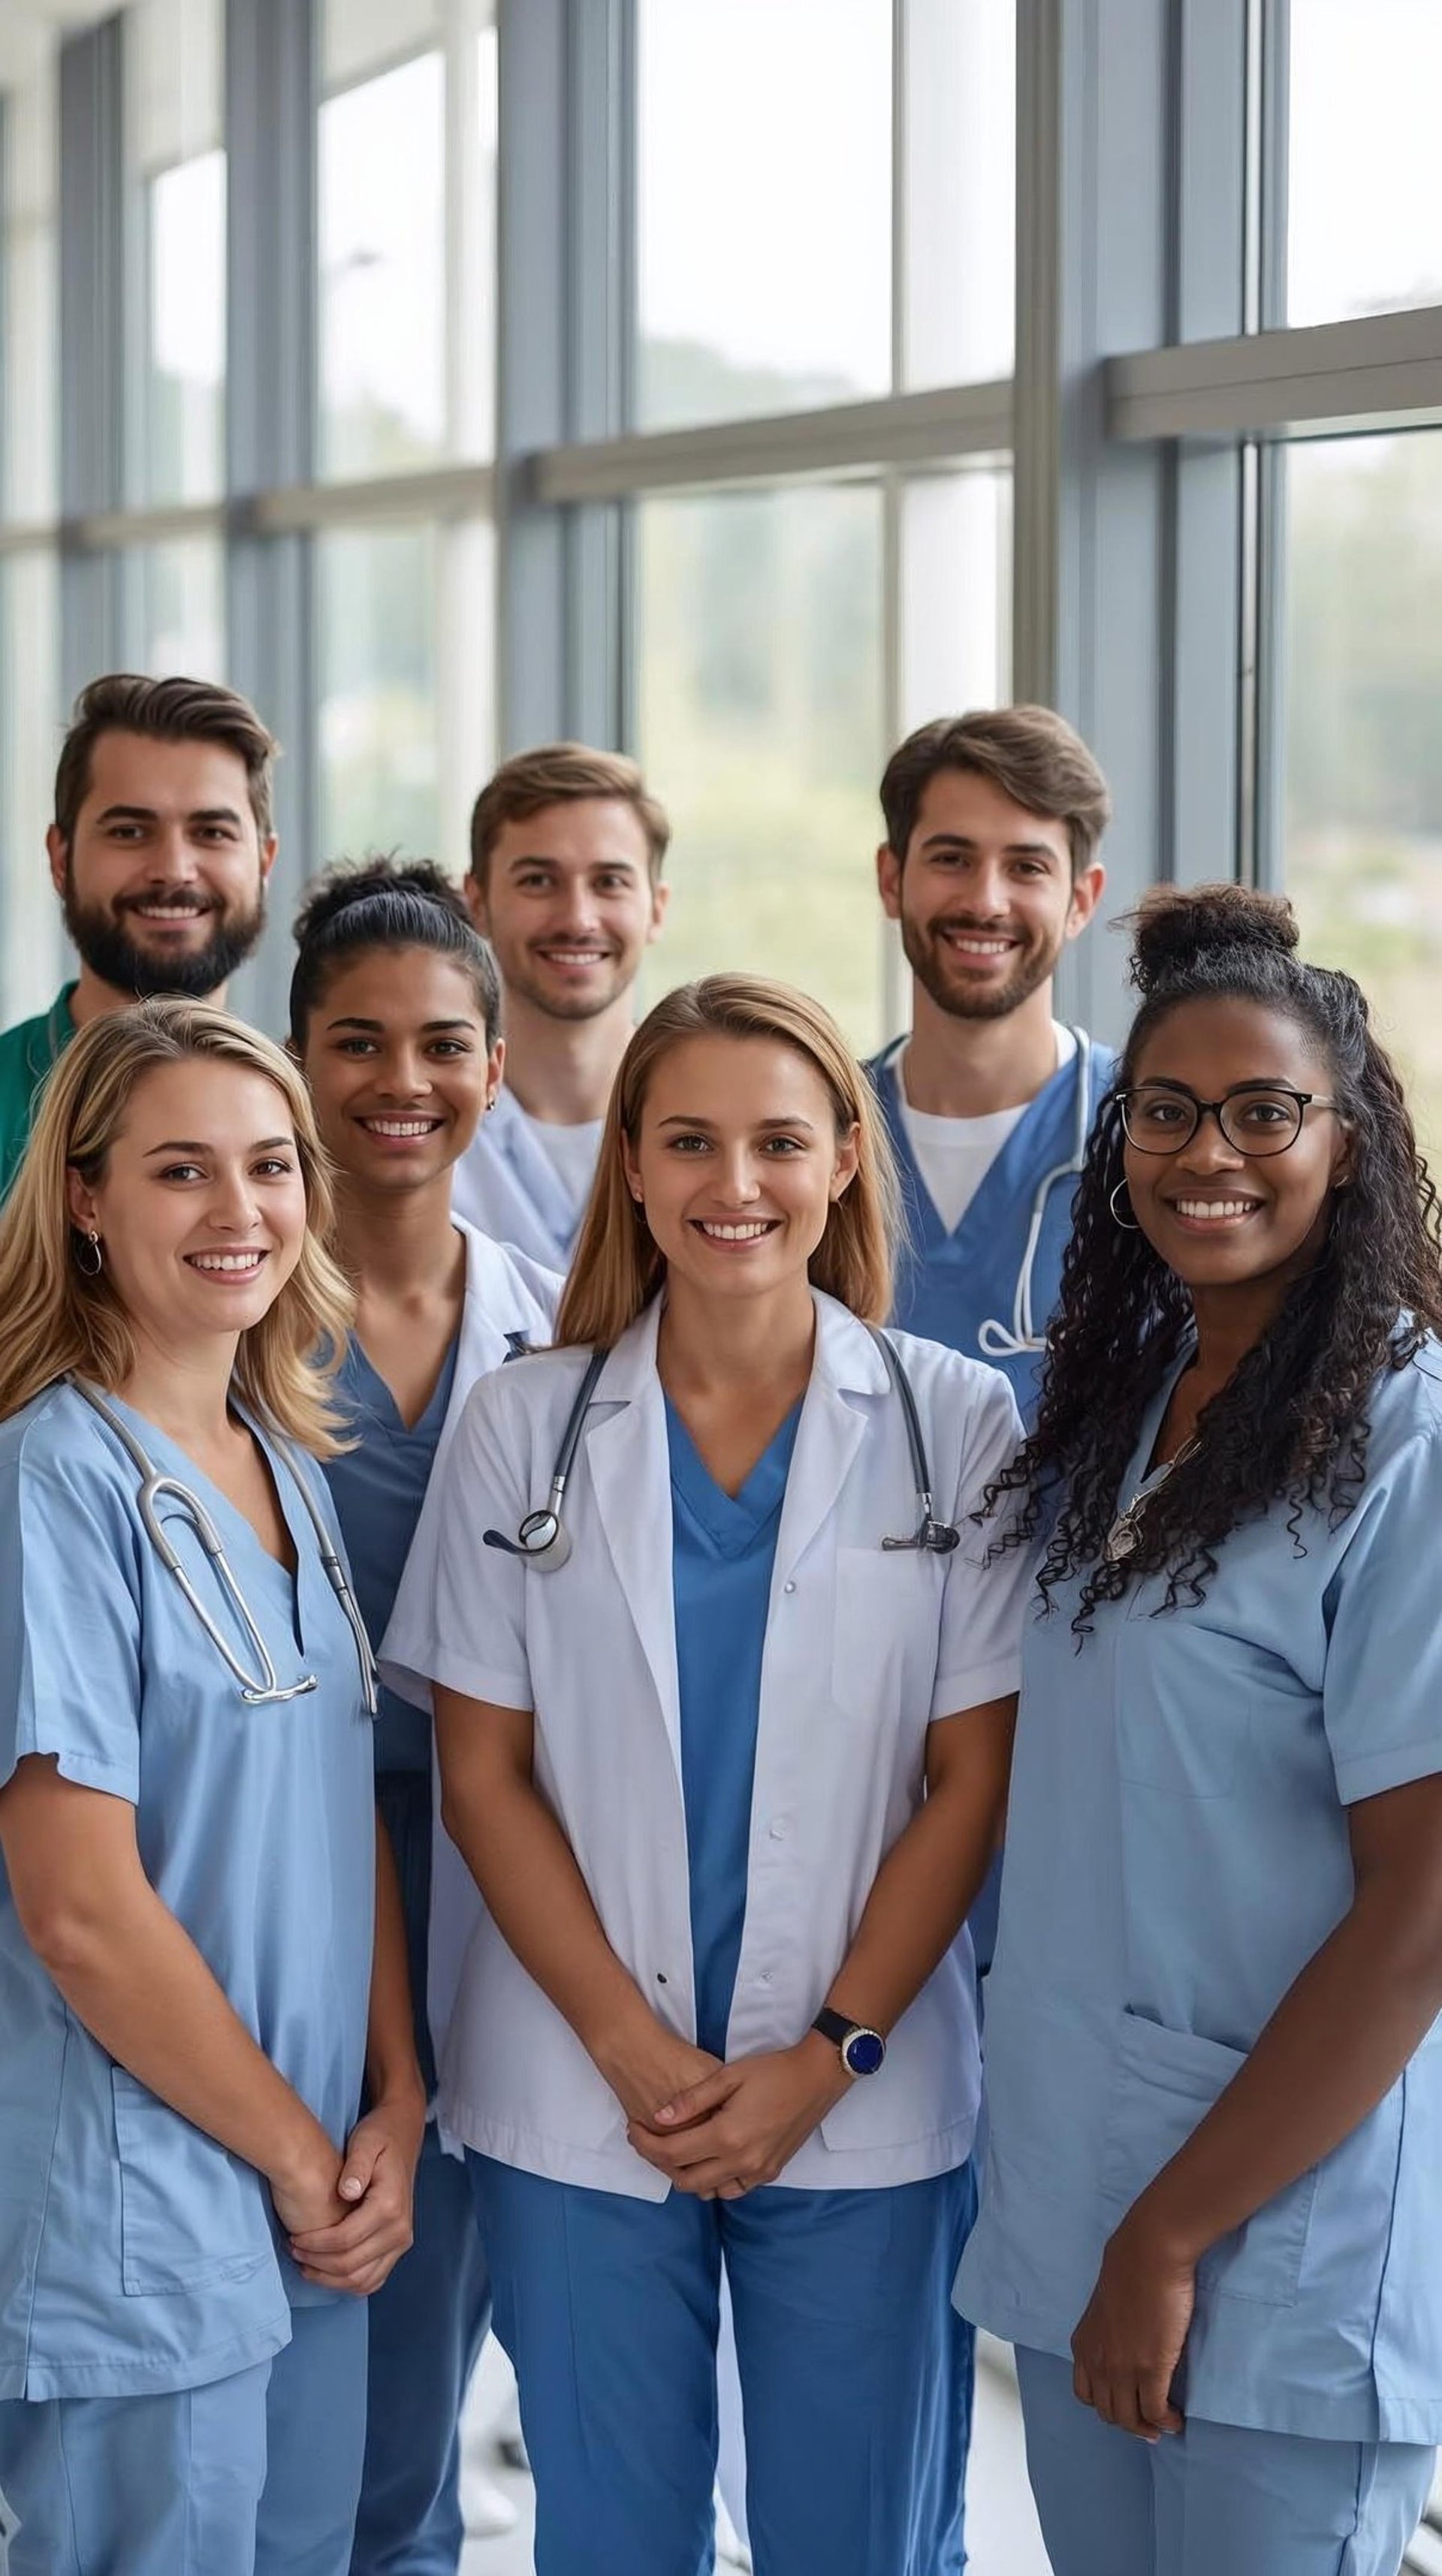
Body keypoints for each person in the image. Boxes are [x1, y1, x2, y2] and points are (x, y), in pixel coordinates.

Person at [383, 974, 1030, 2575]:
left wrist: (828, 2054)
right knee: (610, 2538)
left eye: (777, 1142)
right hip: (583, 2086)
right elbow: (483, 1773)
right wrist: (630, 2048)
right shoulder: (521, 1423)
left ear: (842, 1164)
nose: (733, 1183)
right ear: (633, 1163)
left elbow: (976, 1777)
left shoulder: (957, 1424)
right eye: (689, 1141)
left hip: (859, 2087)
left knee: (860, 2539)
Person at [955, 885, 1442, 2576]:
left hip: (1274, 2236)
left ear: (1349, 1139)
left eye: (1264, 1112)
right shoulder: (1121, 1398)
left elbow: (1424, 1909)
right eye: (1167, 1109)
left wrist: (1169, 2233)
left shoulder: (1405, 1442)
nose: (1207, 1152)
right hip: (1085, 2177)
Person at [0, 1000, 424, 2576]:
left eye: (269, 1164)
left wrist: (396, 2092)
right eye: (183, 1169)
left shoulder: (288, 1464)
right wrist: (302, 2157)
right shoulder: (48, 1483)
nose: (239, 1211)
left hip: (318, 2191)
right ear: (88, 1198)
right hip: (149, 2215)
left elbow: (340, 1806)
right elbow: (80, 1911)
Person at [290, 861, 560, 2574]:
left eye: (443, 1044)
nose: (404, 1082)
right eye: (358, 1042)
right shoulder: (214, 1314)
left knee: (409, 2394)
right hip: (257, 1887)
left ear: (498, 1053)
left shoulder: (560, 1325)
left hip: (487, 1896)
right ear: (295, 1055)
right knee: (252, 2373)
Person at [867, 706, 1114, 1419]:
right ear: (892, 879)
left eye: (1027, 866)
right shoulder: (814, 1129)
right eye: (952, 859)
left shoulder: (1154, 1134)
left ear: (1081, 899)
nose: (986, 900)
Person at [0, 674, 280, 1200]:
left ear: (265, 862)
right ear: (60, 859)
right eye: (129, 832)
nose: (174, 870)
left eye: (212, 833)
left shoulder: (307, 1117)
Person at [451, 743, 670, 1268]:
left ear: (656, 909)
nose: (577, 919)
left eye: (609, 882)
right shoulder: (423, 1122)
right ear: (476, 902)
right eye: (538, 881)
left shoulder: (712, 1122)